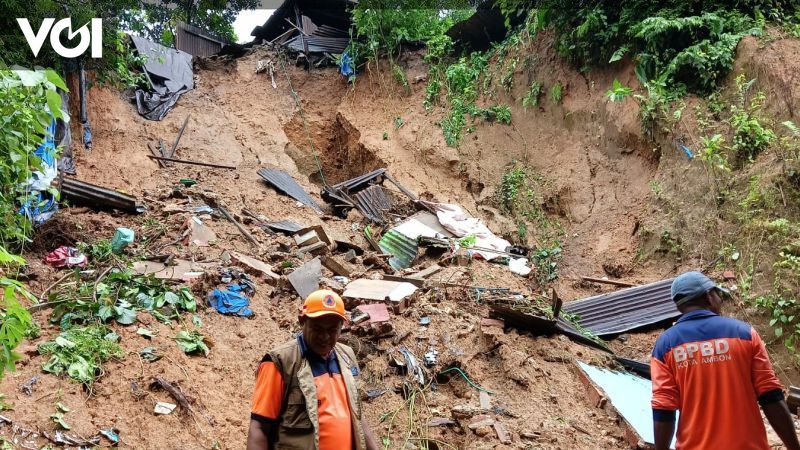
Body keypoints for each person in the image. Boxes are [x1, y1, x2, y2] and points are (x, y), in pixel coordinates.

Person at [651, 271, 800, 450]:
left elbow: (663, 408)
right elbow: (770, 395)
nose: (720, 300)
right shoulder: (744, 334)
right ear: (708, 297)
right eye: (718, 294)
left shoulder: (665, 345)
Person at [246, 289, 380, 450]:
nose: (324, 337)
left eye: (332, 330)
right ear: (302, 321)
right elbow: (260, 427)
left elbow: (357, 416)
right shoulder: (281, 362)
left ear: (341, 327)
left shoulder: (347, 356)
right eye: (317, 329)